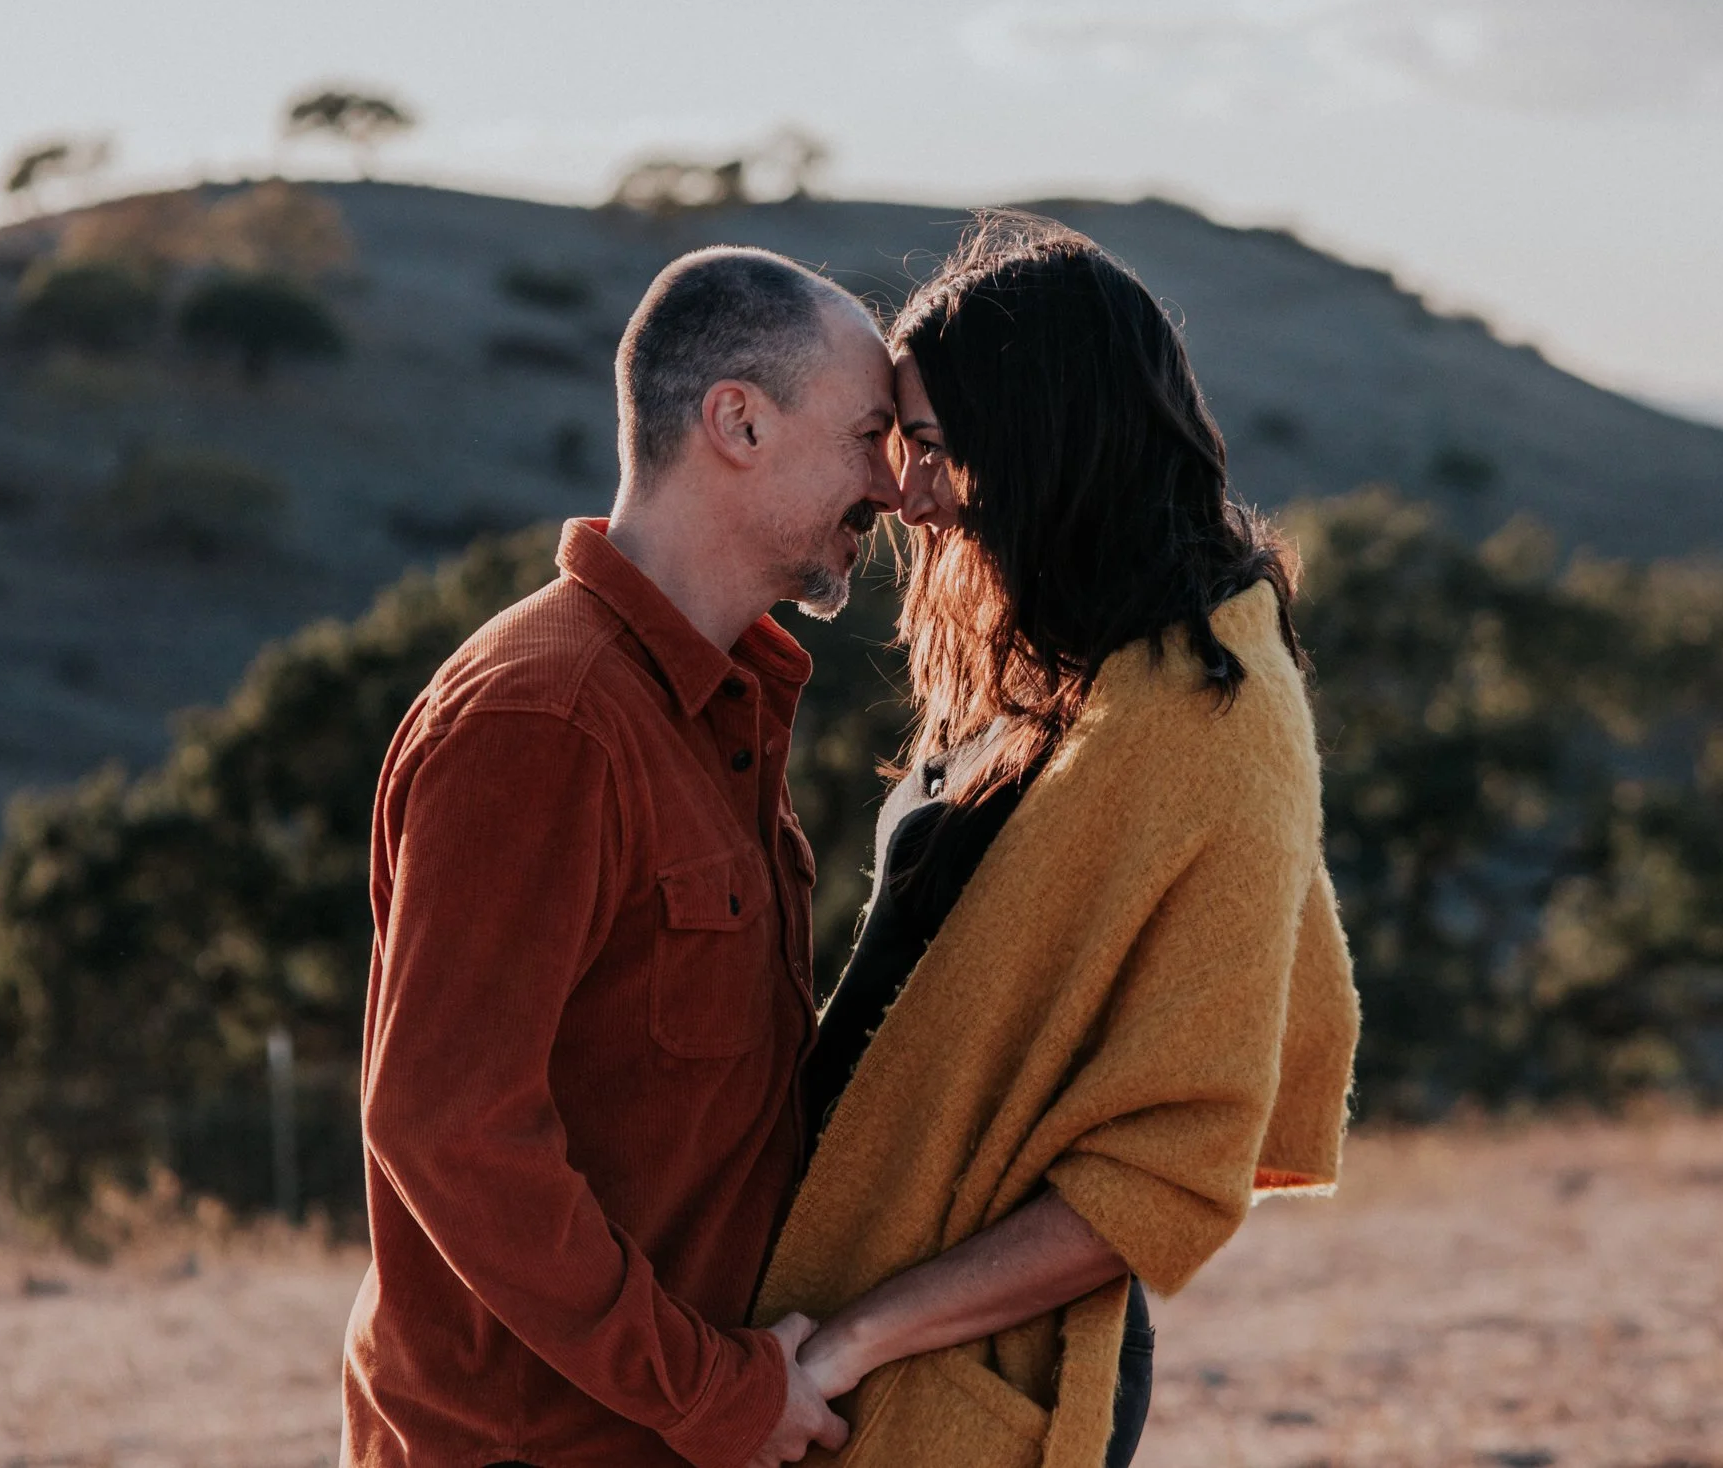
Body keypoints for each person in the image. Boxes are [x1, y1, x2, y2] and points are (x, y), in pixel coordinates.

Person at [757, 216, 1362, 1468]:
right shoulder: (1061, 662)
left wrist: (856, 1341)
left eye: (929, 448)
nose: (902, 492)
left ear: (1037, 439)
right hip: (841, 1322)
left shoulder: (1209, 716)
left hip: (954, 1363)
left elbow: (1161, 1167)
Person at [341, 246, 904, 1468]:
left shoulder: (715, 712)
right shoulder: (541, 722)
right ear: (738, 422)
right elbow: (447, 1129)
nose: (895, 488)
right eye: (868, 435)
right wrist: (713, 1392)